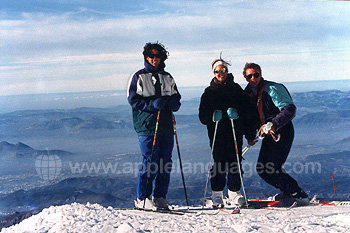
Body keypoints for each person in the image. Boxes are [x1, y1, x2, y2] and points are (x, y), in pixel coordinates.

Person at [243, 62, 309, 206]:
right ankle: (289, 192)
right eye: (250, 76)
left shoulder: (272, 89)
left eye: (256, 75)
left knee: (269, 168)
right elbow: (250, 117)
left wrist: (273, 124)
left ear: (261, 74)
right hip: (268, 134)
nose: (253, 78)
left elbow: (289, 109)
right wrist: (250, 136)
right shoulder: (248, 94)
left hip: (282, 132)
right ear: (246, 78)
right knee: (264, 168)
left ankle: (297, 194)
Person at [127, 42, 181, 210]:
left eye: (157, 56)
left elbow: (176, 97)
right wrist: (151, 105)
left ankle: (159, 197)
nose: (154, 59)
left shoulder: (167, 77)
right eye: (151, 56)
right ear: (146, 57)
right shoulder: (139, 76)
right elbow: (132, 99)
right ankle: (142, 198)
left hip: (166, 124)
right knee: (150, 161)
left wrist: (173, 104)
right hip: (147, 124)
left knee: (165, 162)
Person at [199, 57, 257, 208]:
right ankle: (217, 194)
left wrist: (249, 133)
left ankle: (234, 192)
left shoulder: (236, 90)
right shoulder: (209, 92)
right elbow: (202, 116)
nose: (221, 73)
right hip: (217, 133)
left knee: (235, 162)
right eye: (217, 71)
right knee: (219, 162)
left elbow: (248, 113)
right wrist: (212, 116)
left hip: (234, 131)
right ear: (214, 73)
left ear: (227, 71)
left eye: (223, 70)